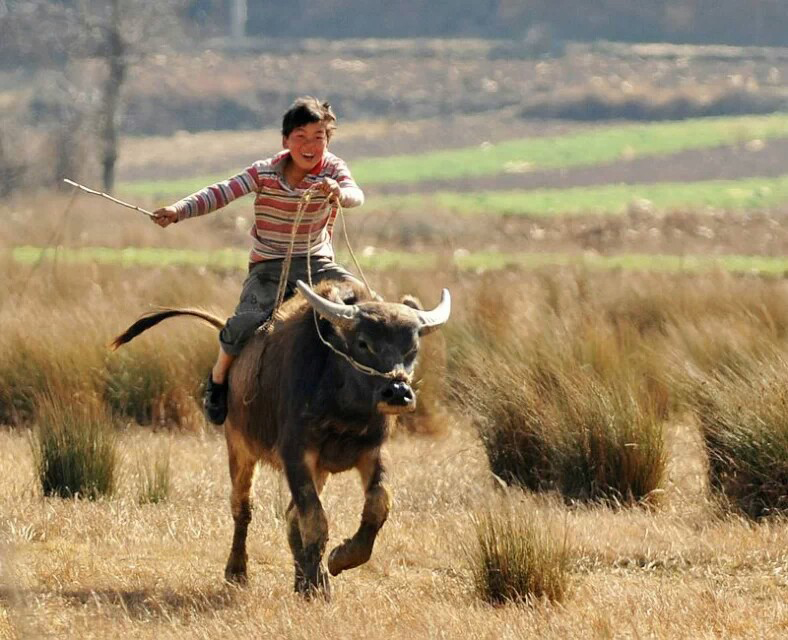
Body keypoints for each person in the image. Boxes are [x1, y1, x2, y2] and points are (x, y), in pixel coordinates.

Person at [152, 96, 365, 425]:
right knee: (244, 323)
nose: (310, 146)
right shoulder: (264, 173)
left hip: (317, 264)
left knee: (369, 307)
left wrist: (338, 191)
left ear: (328, 139)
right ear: (285, 141)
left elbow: (355, 195)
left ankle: (373, 385)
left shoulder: (334, 170)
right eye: (301, 137)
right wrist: (178, 211)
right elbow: (221, 192)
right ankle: (218, 380)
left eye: (319, 137)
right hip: (269, 267)